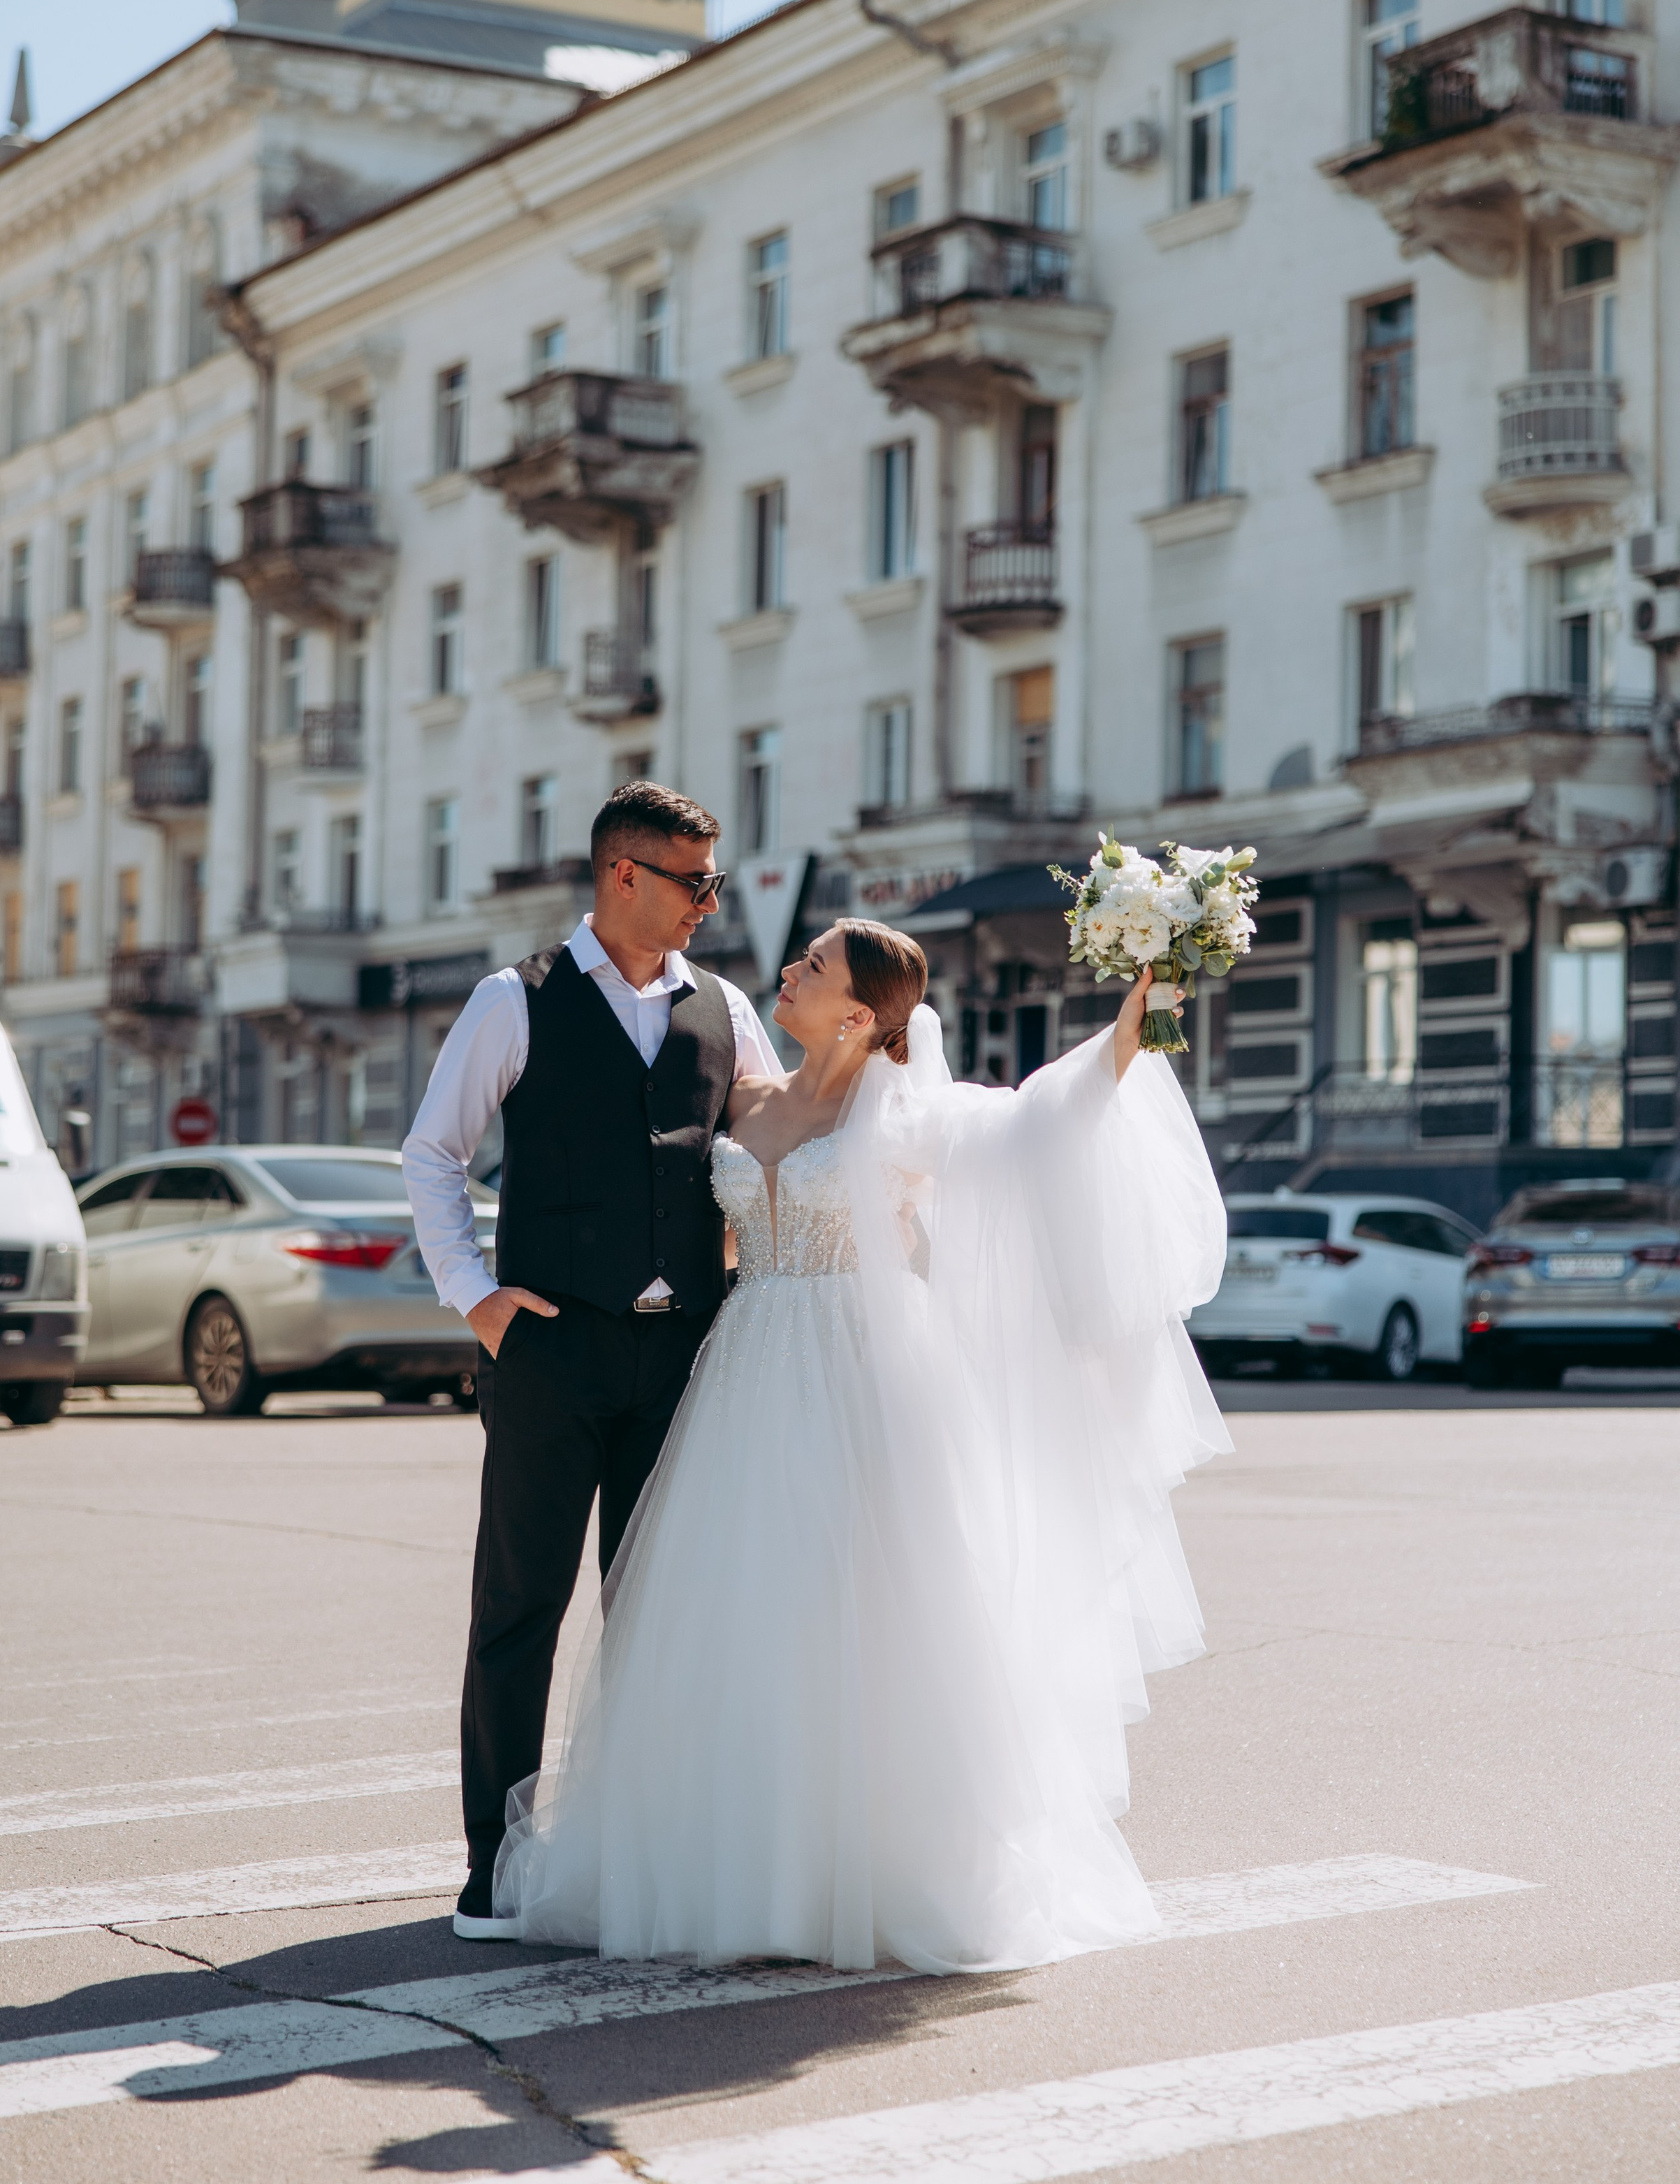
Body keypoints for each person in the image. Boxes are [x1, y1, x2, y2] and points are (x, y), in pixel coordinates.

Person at [483, 918, 1232, 1974]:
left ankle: (878, 1868)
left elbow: (1038, 1123)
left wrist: (1138, 1019)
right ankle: (739, 1865)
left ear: (859, 1014)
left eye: (814, 965)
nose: (787, 971)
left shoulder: (908, 1117)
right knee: (739, 1614)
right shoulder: (744, 1101)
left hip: (865, 1372)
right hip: (745, 1371)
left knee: (871, 1617)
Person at [402, 781, 784, 1939]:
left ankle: (637, 1854)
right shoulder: (512, 1003)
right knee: (521, 1609)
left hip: (681, 1360)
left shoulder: (726, 1009)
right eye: (693, 882)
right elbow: (433, 1156)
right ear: (624, 874)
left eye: (713, 881)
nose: (709, 905)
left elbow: (791, 1131)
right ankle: (496, 1869)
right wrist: (477, 1300)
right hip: (550, 1354)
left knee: (658, 1615)